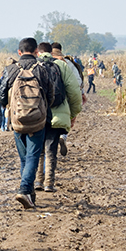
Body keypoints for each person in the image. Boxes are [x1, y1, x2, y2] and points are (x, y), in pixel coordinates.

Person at [0, 37, 53, 209]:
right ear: (36, 51)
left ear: (19, 52)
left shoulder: (10, 69)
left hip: (17, 121)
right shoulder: (42, 70)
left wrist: (9, 107)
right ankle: (24, 190)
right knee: (33, 157)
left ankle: (29, 193)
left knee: (24, 158)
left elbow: (1, 94)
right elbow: (51, 94)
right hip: (37, 120)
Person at [35, 42, 82, 192]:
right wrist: (73, 114)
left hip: (37, 114)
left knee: (39, 149)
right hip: (57, 114)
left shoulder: (33, 66)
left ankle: (37, 181)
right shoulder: (62, 66)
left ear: (38, 52)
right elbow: (74, 92)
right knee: (51, 150)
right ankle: (49, 183)